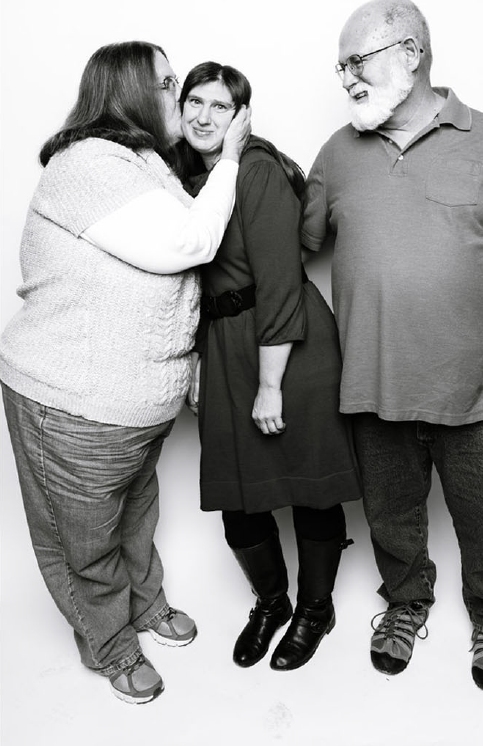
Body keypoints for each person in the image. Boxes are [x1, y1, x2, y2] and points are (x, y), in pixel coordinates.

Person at [301, 0, 483, 693]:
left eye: (356, 60)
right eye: (341, 66)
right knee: (390, 515)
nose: (346, 76)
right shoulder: (337, 153)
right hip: (371, 384)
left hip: (477, 384)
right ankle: (406, 604)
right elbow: (286, 247)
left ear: (410, 54)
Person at [0, 41, 251, 704]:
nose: (181, 94)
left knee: (136, 517)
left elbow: (178, 288)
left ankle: (145, 606)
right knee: (82, 541)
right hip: (73, 399)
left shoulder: (142, 164)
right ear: (132, 92)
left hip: (135, 403)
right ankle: (109, 644)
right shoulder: (88, 164)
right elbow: (190, 243)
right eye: (168, 84)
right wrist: (230, 159)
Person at [176, 62, 362, 672]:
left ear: (242, 118)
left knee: (308, 487)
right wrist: (200, 360)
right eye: (194, 102)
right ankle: (273, 603)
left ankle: (315, 609)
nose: (204, 116)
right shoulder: (186, 177)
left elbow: (282, 285)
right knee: (240, 495)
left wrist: (271, 385)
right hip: (227, 346)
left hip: (287, 346)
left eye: (220, 107)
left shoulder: (254, 171)